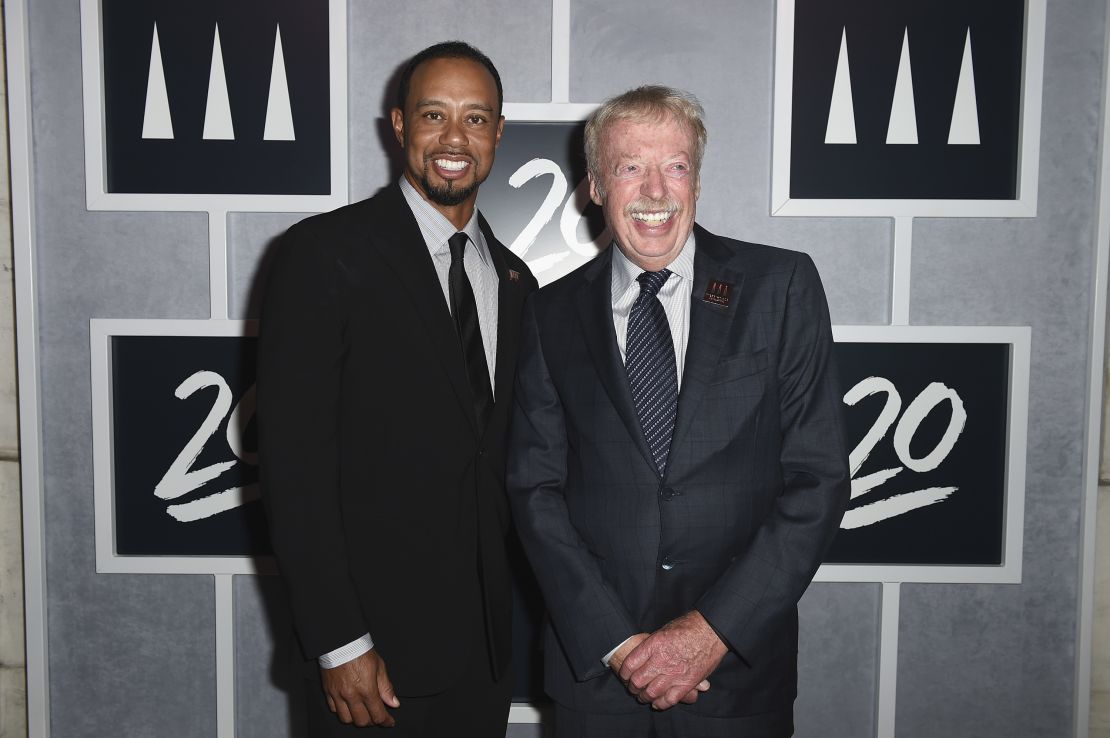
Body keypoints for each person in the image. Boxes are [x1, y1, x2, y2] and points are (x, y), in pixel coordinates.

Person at [507, 85, 850, 737]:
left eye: (677, 165)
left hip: (736, 673)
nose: (656, 190)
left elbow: (819, 478)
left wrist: (711, 631)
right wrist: (617, 644)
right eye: (631, 166)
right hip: (597, 678)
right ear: (596, 187)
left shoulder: (780, 288)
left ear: (697, 179)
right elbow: (535, 490)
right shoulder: (550, 314)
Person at [257, 41, 536, 737]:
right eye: (433, 115)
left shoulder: (514, 279)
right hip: (370, 664)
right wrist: (339, 641)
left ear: (498, 134)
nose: (453, 139)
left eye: (475, 120)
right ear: (399, 125)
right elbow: (295, 470)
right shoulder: (323, 255)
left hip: (485, 660)